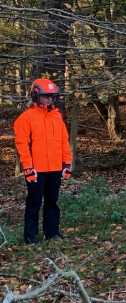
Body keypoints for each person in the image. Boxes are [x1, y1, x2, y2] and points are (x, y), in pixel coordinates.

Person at [13, 78, 73, 244]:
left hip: (54, 167)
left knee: (52, 201)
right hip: (36, 169)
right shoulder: (25, 118)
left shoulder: (57, 116)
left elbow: (64, 141)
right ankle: (30, 237)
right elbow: (22, 145)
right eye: (46, 96)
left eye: (52, 96)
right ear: (36, 95)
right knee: (34, 203)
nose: (49, 99)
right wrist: (28, 167)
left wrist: (67, 163)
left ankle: (52, 233)